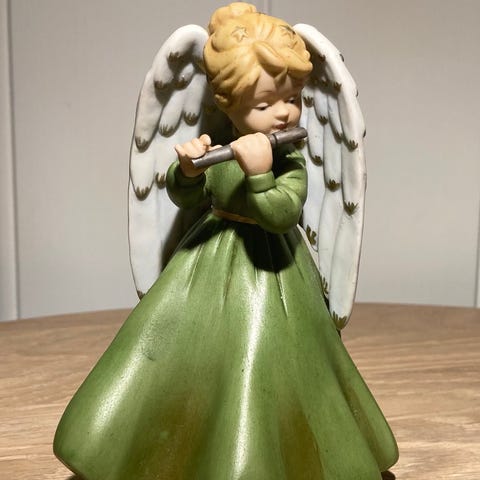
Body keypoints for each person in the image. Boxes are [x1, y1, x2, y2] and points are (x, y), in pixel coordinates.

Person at [54, 4, 398, 479]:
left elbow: (281, 214)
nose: (285, 112)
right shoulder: (221, 146)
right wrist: (188, 169)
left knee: (260, 359)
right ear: (226, 105)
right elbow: (186, 196)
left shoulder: (288, 160)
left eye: (292, 98)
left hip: (273, 277)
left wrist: (260, 174)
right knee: (174, 351)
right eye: (265, 105)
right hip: (206, 265)